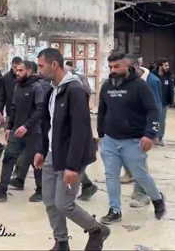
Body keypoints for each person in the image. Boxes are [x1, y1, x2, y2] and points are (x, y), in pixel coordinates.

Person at [35, 48, 109, 251]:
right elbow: (47, 124)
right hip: (52, 154)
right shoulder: (52, 90)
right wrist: (42, 150)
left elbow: (80, 130)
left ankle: (97, 230)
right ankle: (61, 243)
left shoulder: (75, 90)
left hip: (70, 158)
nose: (38, 70)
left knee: (64, 204)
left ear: (54, 65)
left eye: (41, 66)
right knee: (50, 202)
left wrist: (72, 167)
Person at [98, 52, 166, 225]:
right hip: (110, 140)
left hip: (134, 141)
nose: (112, 70)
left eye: (116, 67)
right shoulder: (107, 85)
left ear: (126, 66)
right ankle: (115, 210)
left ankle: (157, 199)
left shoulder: (140, 86)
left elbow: (154, 110)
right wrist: (100, 135)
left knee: (140, 175)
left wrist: (150, 134)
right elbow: (102, 110)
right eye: (110, 67)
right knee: (111, 175)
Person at [0, 60, 44, 202]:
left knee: (36, 162)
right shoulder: (18, 86)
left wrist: (26, 126)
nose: (17, 73)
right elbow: (13, 108)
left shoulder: (37, 88)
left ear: (29, 72)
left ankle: (41, 190)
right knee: (8, 159)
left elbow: (39, 111)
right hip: (16, 131)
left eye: (20, 70)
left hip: (32, 132)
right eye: (16, 70)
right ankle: (2, 190)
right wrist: (9, 127)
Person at [124, 54, 162, 208]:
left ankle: (143, 194)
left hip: (143, 129)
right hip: (128, 129)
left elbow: (157, 107)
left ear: (136, 66)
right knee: (134, 161)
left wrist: (153, 132)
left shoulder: (151, 81)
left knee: (140, 162)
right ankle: (140, 190)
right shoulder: (124, 82)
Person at [62, 61, 98, 201]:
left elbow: (87, 91)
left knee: (72, 163)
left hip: (72, 128)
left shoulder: (77, 83)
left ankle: (86, 185)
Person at [152, 58, 175, 146]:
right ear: (160, 66)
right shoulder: (152, 76)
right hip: (154, 102)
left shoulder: (170, 76)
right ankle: (152, 136)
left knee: (161, 120)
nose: (167, 67)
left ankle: (160, 137)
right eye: (165, 65)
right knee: (152, 120)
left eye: (168, 65)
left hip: (164, 103)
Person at [0, 57, 22, 123]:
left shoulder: (24, 78)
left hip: (22, 112)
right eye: (15, 67)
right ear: (12, 66)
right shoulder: (5, 78)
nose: (16, 70)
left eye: (19, 68)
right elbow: (2, 96)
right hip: (10, 112)